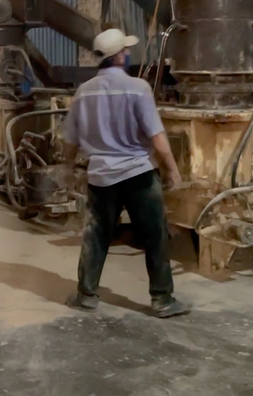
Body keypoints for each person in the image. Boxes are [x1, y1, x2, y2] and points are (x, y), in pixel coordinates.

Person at [62, 29, 191, 318]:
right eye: (126, 50)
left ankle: (86, 296)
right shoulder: (138, 88)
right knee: (155, 235)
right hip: (139, 175)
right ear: (119, 56)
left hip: (101, 178)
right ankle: (162, 300)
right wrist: (172, 170)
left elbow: (69, 140)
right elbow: (157, 136)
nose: (128, 54)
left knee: (96, 235)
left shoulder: (84, 92)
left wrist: (68, 169)